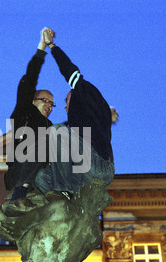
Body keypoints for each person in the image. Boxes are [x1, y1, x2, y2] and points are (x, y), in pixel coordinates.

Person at [35, 29, 117, 200]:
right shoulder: (88, 117)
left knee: (58, 131)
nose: (65, 107)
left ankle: (63, 190)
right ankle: (69, 203)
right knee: (42, 178)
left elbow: (69, 70)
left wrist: (51, 45)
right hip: (84, 171)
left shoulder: (82, 90)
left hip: (98, 165)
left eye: (66, 101)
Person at [4, 28, 56, 202]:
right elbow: (30, 77)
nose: (49, 105)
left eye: (52, 103)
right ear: (33, 100)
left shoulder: (50, 126)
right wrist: (42, 47)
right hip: (19, 172)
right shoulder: (24, 111)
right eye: (45, 100)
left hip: (42, 174)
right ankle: (21, 190)